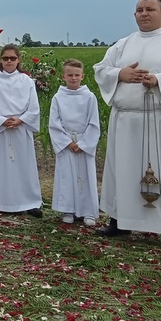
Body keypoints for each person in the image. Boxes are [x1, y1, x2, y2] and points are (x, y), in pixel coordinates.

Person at [94, 0, 161, 237]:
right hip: (125, 121)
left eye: (149, 9)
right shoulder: (123, 44)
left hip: (158, 120)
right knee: (121, 171)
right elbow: (101, 70)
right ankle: (119, 221)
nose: (143, 13)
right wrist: (119, 74)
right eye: (139, 10)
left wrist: (159, 80)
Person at [0, 44, 43, 217]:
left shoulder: (26, 81)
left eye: (12, 58)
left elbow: (34, 107)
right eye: (5, 58)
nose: (9, 61)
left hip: (20, 130)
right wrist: (1, 121)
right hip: (0, 131)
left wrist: (20, 120)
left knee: (24, 167)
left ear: (18, 60)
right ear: (1, 60)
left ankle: (30, 202)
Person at [49, 59, 100, 226]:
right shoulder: (58, 97)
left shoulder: (89, 97)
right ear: (63, 76)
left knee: (86, 176)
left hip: (84, 142)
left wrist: (84, 144)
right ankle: (68, 209)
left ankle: (88, 212)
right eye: (69, 75)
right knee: (67, 176)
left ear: (82, 76)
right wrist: (67, 142)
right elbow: (54, 123)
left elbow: (94, 123)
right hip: (67, 143)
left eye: (76, 75)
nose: (73, 78)